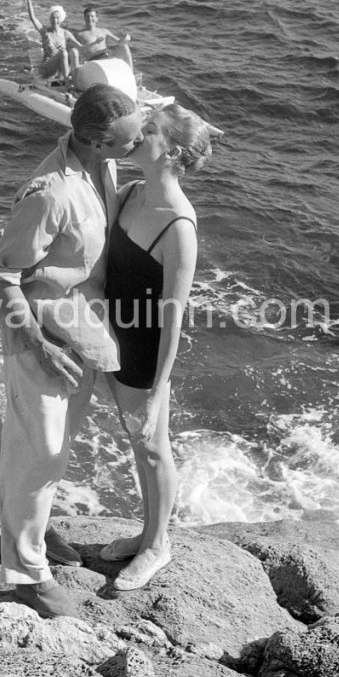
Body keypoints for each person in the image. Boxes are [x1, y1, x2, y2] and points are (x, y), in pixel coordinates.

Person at [0, 83, 143, 618]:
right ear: (96, 140)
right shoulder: (48, 193)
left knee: (50, 449)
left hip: (83, 328)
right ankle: (27, 576)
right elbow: (1, 274)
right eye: (128, 139)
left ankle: (28, 530)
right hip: (43, 336)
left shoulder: (104, 166)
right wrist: (37, 345)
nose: (137, 143)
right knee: (40, 451)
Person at [102, 104, 223, 590]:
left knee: (153, 447)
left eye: (148, 130)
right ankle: (146, 532)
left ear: (170, 152)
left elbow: (174, 317)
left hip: (146, 352)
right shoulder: (132, 192)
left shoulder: (179, 226)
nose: (137, 135)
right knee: (139, 445)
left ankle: (158, 546)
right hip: (115, 341)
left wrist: (158, 388)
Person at [27, 0, 83, 86]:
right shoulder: (45, 32)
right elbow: (33, 18)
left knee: (74, 51)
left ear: (61, 19)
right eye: (53, 18)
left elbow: (81, 47)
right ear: (50, 19)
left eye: (57, 18)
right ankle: (68, 87)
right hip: (46, 69)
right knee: (63, 52)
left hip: (61, 70)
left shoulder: (66, 33)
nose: (55, 20)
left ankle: (76, 84)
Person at [76, 6, 133, 70]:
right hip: (93, 62)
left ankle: (131, 73)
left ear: (97, 18)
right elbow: (79, 49)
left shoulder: (104, 31)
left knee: (125, 46)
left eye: (92, 16)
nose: (90, 18)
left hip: (107, 58)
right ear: (84, 18)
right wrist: (95, 43)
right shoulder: (80, 34)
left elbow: (119, 42)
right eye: (87, 16)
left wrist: (126, 39)